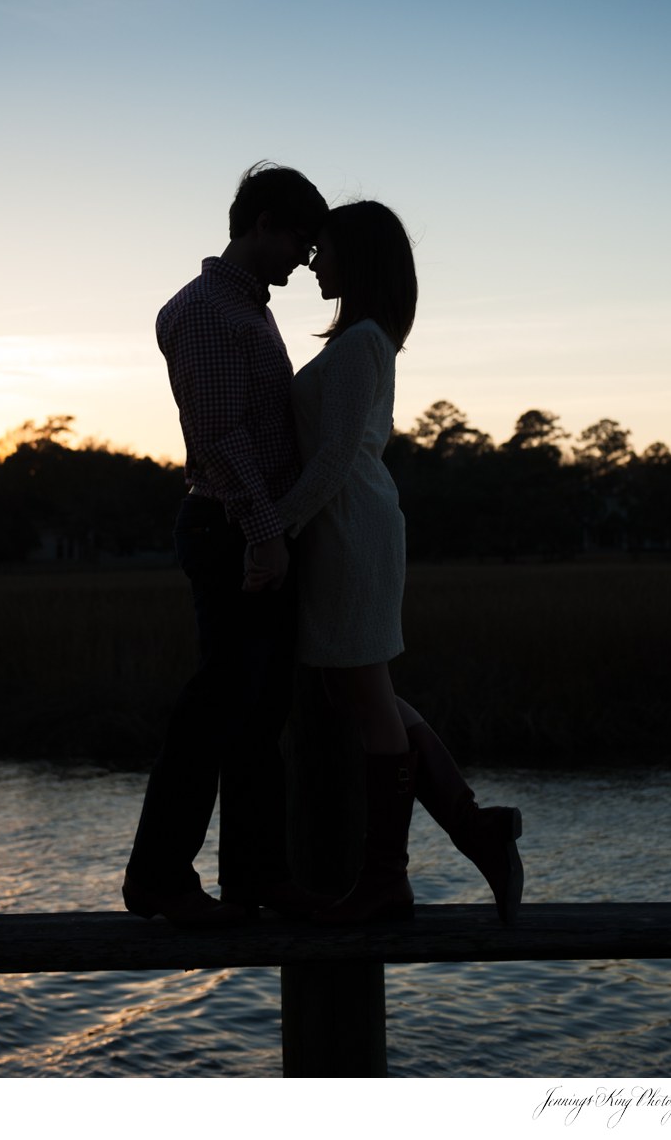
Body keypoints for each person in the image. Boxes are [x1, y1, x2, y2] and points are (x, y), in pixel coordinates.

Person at [246, 200, 524, 925]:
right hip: (341, 529)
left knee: (366, 702)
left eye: (325, 248)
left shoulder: (365, 341)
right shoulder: (363, 339)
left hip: (349, 532)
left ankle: (387, 879)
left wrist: (273, 528)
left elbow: (337, 456)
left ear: (359, 258)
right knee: (362, 696)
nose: (313, 261)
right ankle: (474, 828)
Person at [123, 162, 329, 927]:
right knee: (216, 704)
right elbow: (219, 436)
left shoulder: (243, 305)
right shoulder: (209, 310)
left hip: (244, 524)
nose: (304, 264)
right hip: (231, 527)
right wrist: (266, 535)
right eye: (300, 244)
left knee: (255, 713)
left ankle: (256, 878)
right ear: (264, 222)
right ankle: (158, 878)